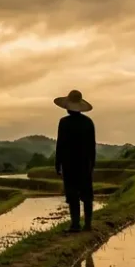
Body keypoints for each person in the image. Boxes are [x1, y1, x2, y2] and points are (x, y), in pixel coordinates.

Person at [54, 89, 95, 231]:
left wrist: (57, 164)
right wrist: (92, 164)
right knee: (86, 194)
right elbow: (92, 146)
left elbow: (60, 145)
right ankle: (88, 224)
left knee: (73, 195)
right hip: (84, 163)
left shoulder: (64, 123)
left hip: (69, 163)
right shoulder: (88, 122)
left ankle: (75, 224)